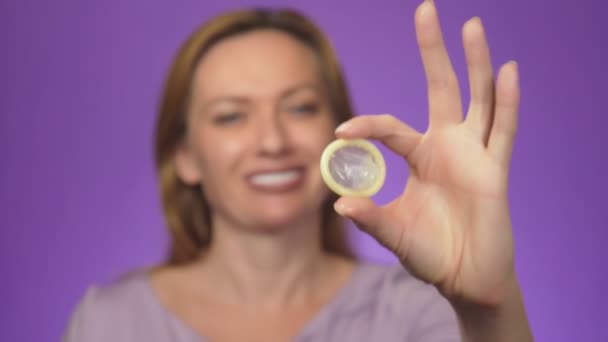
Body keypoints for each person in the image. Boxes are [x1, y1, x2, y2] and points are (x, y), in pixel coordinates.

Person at [64, 1, 533, 341]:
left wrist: (490, 306)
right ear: (185, 156)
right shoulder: (109, 323)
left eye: (300, 108)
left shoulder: (420, 314)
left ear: (340, 133)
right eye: (231, 115)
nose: (272, 141)